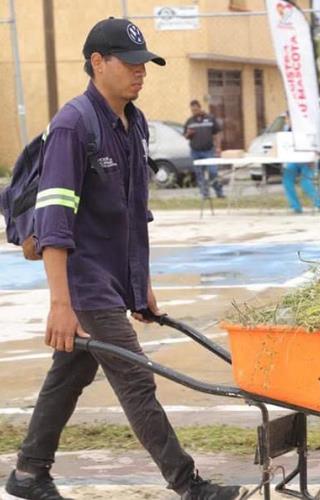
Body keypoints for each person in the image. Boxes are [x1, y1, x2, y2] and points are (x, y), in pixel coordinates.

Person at [4, 18, 248, 500]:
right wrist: (61, 303)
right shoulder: (75, 125)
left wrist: (141, 287)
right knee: (137, 377)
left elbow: (134, 215)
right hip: (83, 282)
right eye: (131, 63)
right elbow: (54, 221)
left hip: (111, 281)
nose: (141, 73)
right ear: (98, 63)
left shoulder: (131, 124)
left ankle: (29, 474)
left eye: (145, 64)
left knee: (70, 371)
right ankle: (189, 485)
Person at [281, 113, 320, 213]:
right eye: (286, 119)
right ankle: (295, 206)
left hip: (308, 161)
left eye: (288, 118)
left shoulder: (308, 128)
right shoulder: (286, 131)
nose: (287, 121)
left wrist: (315, 158)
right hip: (294, 161)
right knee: (287, 180)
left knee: (306, 183)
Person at [184, 100, 224, 199]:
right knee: (199, 174)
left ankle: (219, 192)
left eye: (196, 110)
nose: (194, 112)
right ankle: (205, 194)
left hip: (209, 151)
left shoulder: (210, 119)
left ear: (200, 108)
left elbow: (217, 133)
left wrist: (218, 147)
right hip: (195, 152)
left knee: (213, 172)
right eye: (192, 110)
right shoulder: (190, 121)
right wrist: (189, 134)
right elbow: (185, 136)